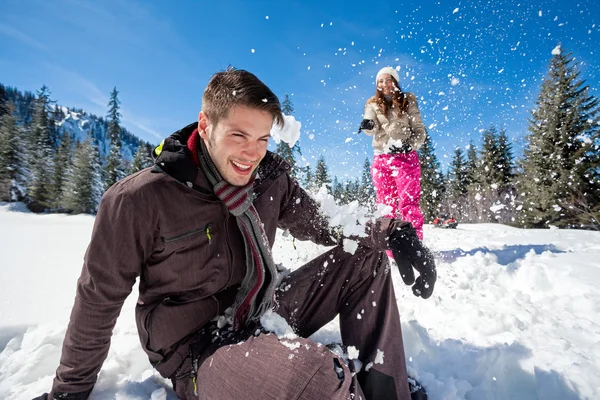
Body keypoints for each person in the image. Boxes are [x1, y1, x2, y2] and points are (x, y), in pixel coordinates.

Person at [34, 67, 436, 400]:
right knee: (314, 377)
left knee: (364, 260)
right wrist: (67, 393)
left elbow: (323, 222)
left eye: (262, 138)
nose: (251, 153)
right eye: (239, 135)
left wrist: (393, 231)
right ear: (206, 125)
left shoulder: (267, 180)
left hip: (260, 307)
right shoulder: (141, 199)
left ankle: (386, 390)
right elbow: (97, 299)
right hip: (199, 348)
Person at [359, 66, 427, 240]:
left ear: (395, 82)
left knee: (408, 203)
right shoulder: (372, 104)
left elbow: (419, 130)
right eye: (380, 81)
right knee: (385, 206)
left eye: (388, 80)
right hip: (381, 158)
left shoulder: (408, 101)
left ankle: (413, 244)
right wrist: (368, 125)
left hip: (406, 158)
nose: (384, 84)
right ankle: (389, 248)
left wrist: (409, 146)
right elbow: (370, 124)